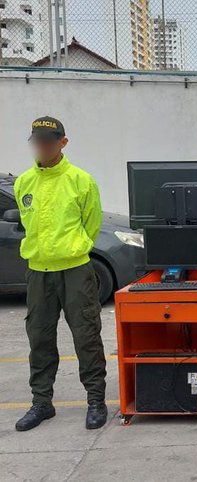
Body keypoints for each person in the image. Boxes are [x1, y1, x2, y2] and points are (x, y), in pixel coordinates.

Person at [13, 116, 108, 431]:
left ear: (62, 143)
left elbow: (91, 225)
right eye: (36, 141)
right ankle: (42, 402)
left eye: (48, 141)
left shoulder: (81, 181)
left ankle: (95, 400)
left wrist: (74, 247)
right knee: (39, 337)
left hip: (75, 271)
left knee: (86, 336)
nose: (41, 147)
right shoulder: (24, 182)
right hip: (38, 273)